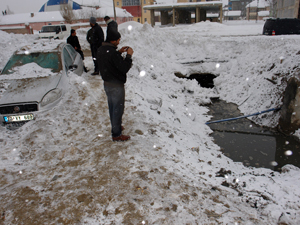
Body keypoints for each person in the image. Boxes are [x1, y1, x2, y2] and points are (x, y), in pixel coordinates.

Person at [97, 30, 133, 142]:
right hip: (116, 85)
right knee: (118, 109)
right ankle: (116, 134)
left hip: (107, 84)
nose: (119, 42)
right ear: (113, 40)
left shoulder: (101, 49)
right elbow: (124, 68)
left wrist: (118, 52)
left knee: (112, 107)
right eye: (118, 40)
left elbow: (110, 60)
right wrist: (128, 56)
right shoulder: (112, 53)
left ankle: (116, 127)